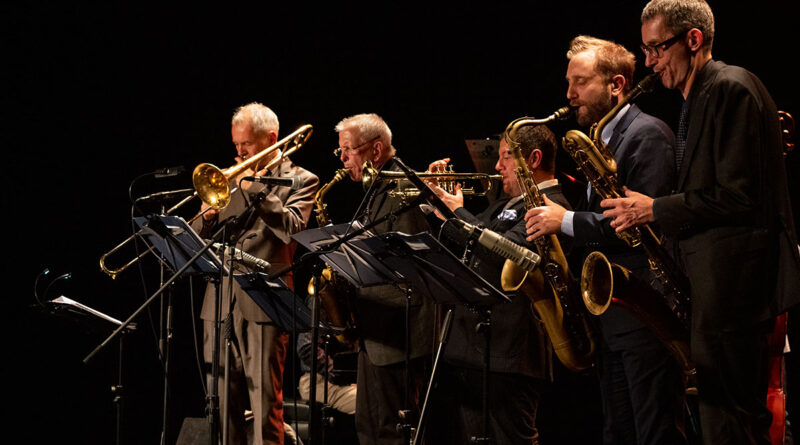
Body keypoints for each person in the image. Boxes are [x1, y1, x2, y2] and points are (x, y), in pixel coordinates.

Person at [600, 1, 800, 443]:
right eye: (646, 50)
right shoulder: (701, 96)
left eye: (657, 48)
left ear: (693, 39)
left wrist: (654, 209)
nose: (649, 62)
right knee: (719, 424)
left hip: (734, 291)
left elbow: (738, 194)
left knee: (731, 426)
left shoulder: (730, 87)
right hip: (717, 290)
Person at [524, 36, 687, 444]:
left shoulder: (648, 134)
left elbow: (641, 226)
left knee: (654, 433)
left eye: (580, 82)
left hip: (645, 309)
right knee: (619, 433)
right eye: (568, 83)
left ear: (616, 85)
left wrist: (565, 221)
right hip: (613, 312)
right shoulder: (601, 138)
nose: (569, 94)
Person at [424, 124, 565, 444]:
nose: (498, 166)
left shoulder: (553, 206)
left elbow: (506, 255)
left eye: (505, 157)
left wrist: (458, 211)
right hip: (475, 348)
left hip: (510, 352)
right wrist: (441, 206)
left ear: (533, 159)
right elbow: (467, 244)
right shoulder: (505, 204)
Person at [192, 102, 319, 445]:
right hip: (219, 303)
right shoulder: (229, 179)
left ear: (271, 139)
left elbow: (292, 229)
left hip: (264, 303)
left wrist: (255, 188)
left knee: (264, 409)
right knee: (221, 407)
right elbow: (198, 240)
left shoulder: (302, 179)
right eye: (236, 144)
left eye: (246, 144)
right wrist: (206, 218)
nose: (239, 152)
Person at [334, 113, 434, 444]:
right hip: (378, 329)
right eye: (340, 151)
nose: (343, 158)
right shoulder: (378, 188)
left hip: (397, 331)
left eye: (348, 149)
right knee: (369, 427)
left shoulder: (401, 187)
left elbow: (410, 261)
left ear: (375, 150)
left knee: (389, 431)